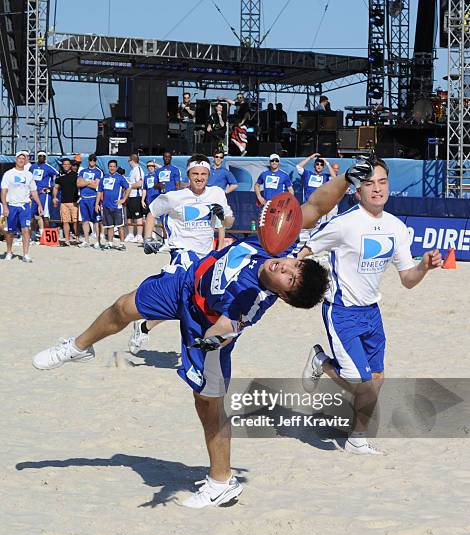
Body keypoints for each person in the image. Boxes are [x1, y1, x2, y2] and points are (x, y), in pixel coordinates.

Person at [32, 165, 363, 506]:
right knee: (122, 307)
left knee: (208, 405)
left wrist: (209, 342)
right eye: (294, 266)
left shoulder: (251, 299)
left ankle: (221, 481)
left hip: (202, 325)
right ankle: (77, 347)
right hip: (186, 283)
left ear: (284, 296)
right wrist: (348, 179)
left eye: (290, 279)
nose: (286, 268)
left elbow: (226, 327)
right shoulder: (278, 248)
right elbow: (314, 207)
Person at [300, 157, 442, 455]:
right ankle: (322, 363)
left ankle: (356, 439)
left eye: (382, 182)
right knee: (362, 384)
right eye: (369, 183)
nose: (376, 189)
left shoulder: (397, 228)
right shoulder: (344, 223)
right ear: (357, 190)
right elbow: (306, 250)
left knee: (377, 380)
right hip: (341, 312)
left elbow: (407, 279)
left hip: (372, 314)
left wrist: (425, 266)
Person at [129, 153, 235, 354]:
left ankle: (145, 326)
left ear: (208, 174)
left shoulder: (217, 194)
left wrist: (220, 245)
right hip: (183, 253)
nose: (199, 177)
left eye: (203, 173)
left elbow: (227, 223)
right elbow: (152, 212)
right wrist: (148, 238)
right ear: (188, 174)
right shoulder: (175, 196)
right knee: (187, 296)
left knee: (185, 300)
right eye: (195, 173)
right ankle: (195, 345)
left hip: (207, 255)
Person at [1, 151, 42, 262]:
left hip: (24, 206)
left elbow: (34, 191)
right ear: (16, 160)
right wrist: (5, 206)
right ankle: (9, 252)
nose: (21, 160)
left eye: (23, 159)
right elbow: (4, 191)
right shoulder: (8, 174)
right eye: (19, 158)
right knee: (10, 232)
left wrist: (39, 204)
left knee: (26, 229)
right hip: (12, 206)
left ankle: (25, 254)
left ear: (26, 161)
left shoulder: (28, 175)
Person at [95, 160, 131, 251]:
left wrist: (123, 199)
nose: (112, 168)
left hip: (117, 206)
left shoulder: (120, 178)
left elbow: (128, 187)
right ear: (108, 167)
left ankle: (122, 244)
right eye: (110, 166)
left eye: (113, 166)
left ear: (116, 167)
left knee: (119, 225)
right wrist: (97, 203)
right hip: (106, 205)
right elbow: (99, 191)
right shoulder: (104, 178)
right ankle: (110, 243)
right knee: (109, 226)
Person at [296, 154, 337, 222]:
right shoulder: (308, 174)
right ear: (314, 165)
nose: (319, 166)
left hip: (320, 207)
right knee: (305, 228)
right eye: (317, 164)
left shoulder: (325, 177)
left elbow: (334, 177)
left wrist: (327, 163)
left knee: (319, 230)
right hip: (308, 206)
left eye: (321, 165)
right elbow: (298, 167)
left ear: (323, 167)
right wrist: (310, 157)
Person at [77, 154, 104, 248]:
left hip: (93, 198)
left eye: (94, 160)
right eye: (90, 160)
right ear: (88, 160)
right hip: (83, 198)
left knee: (96, 220)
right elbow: (78, 183)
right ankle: (86, 240)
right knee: (85, 220)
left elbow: (96, 185)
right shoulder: (82, 171)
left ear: (96, 161)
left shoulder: (98, 172)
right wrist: (89, 182)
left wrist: (85, 182)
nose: (92, 161)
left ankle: (97, 241)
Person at [29, 151, 58, 236]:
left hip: (43, 194)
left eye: (43, 156)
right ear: (37, 157)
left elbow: (56, 175)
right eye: (40, 156)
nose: (41, 157)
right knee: (32, 215)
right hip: (33, 193)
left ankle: (44, 234)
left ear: (45, 158)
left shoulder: (48, 167)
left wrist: (50, 186)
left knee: (44, 214)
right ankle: (33, 234)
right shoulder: (32, 167)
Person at [52, 158, 79, 246]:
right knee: (65, 222)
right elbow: (56, 187)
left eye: (68, 164)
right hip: (63, 202)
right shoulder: (60, 176)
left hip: (74, 202)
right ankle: (67, 240)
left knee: (75, 222)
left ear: (70, 165)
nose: (66, 166)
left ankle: (77, 238)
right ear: (62, 165)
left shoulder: (76, 175)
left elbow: (81, 185)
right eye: (64, 164)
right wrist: (54, 197)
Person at [125, 153, 145, 243]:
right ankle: (130, 234)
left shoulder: (138, 169)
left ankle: (139, 235)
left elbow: (140, 183)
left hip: (136, 196)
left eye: (129, 160)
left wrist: (129, 186)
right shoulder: (132, 170)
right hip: (130, 196)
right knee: (129, 215)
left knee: (138, 215)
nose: (128, 162)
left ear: (132, 160)